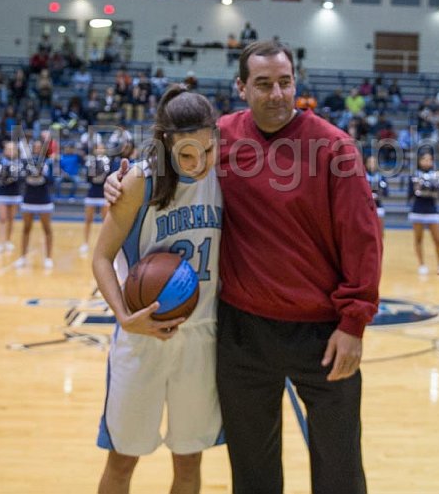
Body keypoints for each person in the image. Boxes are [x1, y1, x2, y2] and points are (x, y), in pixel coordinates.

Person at [106, 40, 381, 494]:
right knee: (252, 471)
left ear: (296, 83)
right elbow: (167, 154)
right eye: (263, 84)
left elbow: (363, 240)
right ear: (241, 87)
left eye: (285, 82)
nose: (276, 93)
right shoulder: (221, 139)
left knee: (340, 466)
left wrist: (354, 322)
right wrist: (119, 180)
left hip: (322, 332)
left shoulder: (335, 148)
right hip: (242, 332)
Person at [92, 85, 224, 494]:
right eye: (187, 154)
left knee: (188, 463)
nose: (199, 164)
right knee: (123, 461)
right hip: (142, 340)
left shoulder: (226, 177)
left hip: (201, 338)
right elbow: (101, 258)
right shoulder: (139, 182)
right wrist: (123, 317)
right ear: (166, 143)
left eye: (208, 150)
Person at [15, 139, 55, 270]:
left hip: (44, 199)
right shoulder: (25, 162)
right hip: (29, 199)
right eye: (35, 147)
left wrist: (43, 174)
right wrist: (27, 173)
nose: (37, 149)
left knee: (47, 229)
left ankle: (48, 258)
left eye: (40, 147)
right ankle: (22, 257)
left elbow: (52, 181)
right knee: (26, 229)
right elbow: (20, 179)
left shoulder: (47, 162)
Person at [409, 151, 439, 275]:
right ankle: (421, 264)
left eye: (429, 159)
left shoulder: (437, 175)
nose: (427, 162)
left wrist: (436, 185)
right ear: (419, 161)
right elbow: (410, 194)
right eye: (424, 159)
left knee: (438, 240)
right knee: (418, 239)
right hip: (418, 211)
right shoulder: (414, 175)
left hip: (432, 211)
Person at [80, 143, 111, 255]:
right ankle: (85, 243)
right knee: (88, 219)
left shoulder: (107, 161)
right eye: (97, 148)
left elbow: (108, 176)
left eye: (101, 147)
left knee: (105, 221)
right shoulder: (90, 161)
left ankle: (105, 245)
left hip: (103, 193)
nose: (99, 149)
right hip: (92, 192)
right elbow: (87, 178)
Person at [0, 140, 24, 254]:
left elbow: (21, 179)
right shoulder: (0, 163)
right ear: (5, 150)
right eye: (8, 149)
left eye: (13, 149)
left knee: (11, 219)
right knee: (2, 218)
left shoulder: (20, 164)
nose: (10, 151)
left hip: (15, 194)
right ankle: (0, 242)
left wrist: (14, 176)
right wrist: (4, 177)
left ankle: (8, 241)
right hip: (3, 193)